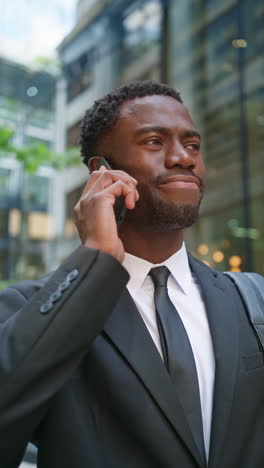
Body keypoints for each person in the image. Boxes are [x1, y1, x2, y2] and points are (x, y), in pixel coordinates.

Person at [0, 80, 263, 468]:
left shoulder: (252, 297)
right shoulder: (31, 308)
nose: (183, 158)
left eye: (192, 145)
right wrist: (97, 257)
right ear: (102, 171)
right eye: (154, 141)